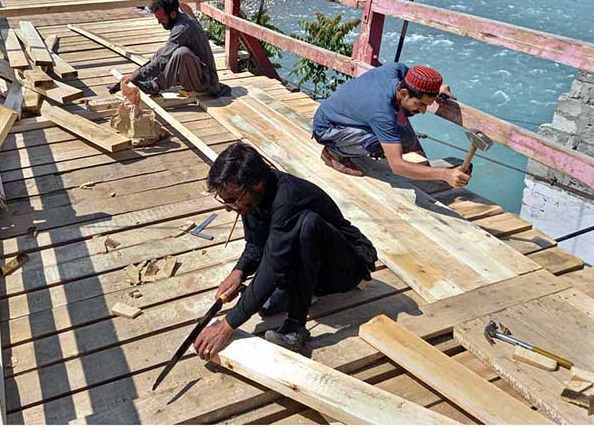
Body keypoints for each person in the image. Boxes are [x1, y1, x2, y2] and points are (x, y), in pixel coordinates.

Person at [192, 143, 378, 359]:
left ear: (257, 183)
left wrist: (227, 325)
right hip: (315, 265)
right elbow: (256, 245)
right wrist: (239, 271)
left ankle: (295, 326)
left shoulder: (288, 197)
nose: (229, 207)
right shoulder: (249, 197)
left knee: (307, 225)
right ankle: (305, 290)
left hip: (347, 267)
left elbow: (273, 264)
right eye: (225, 201)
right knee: (265, 303)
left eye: (233, 201)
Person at [312, 62, 470, 188]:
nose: (423, 111)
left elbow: (414, 79)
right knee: (379, 141)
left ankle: (347, 146)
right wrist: (444, 174)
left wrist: (437, 90)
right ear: (403, 94)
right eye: (420, 104)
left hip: (338, 114)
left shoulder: (396, 70)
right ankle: (333, 152)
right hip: (328, 129)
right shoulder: (382, 113)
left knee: (406, 139)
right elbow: (397, 166)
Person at [109, 0, 230, 97]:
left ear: (172, 14)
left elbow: (163, 60)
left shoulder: (182, 28)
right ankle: (152, 81)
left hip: (206, 82)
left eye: (161, 19)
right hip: (197, 74)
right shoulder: (182, 19)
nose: (159, 23)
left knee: (181, 53)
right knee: (162, 51)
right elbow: (163, 55)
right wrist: (135, 75)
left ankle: (155, 85)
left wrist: (134, 76)